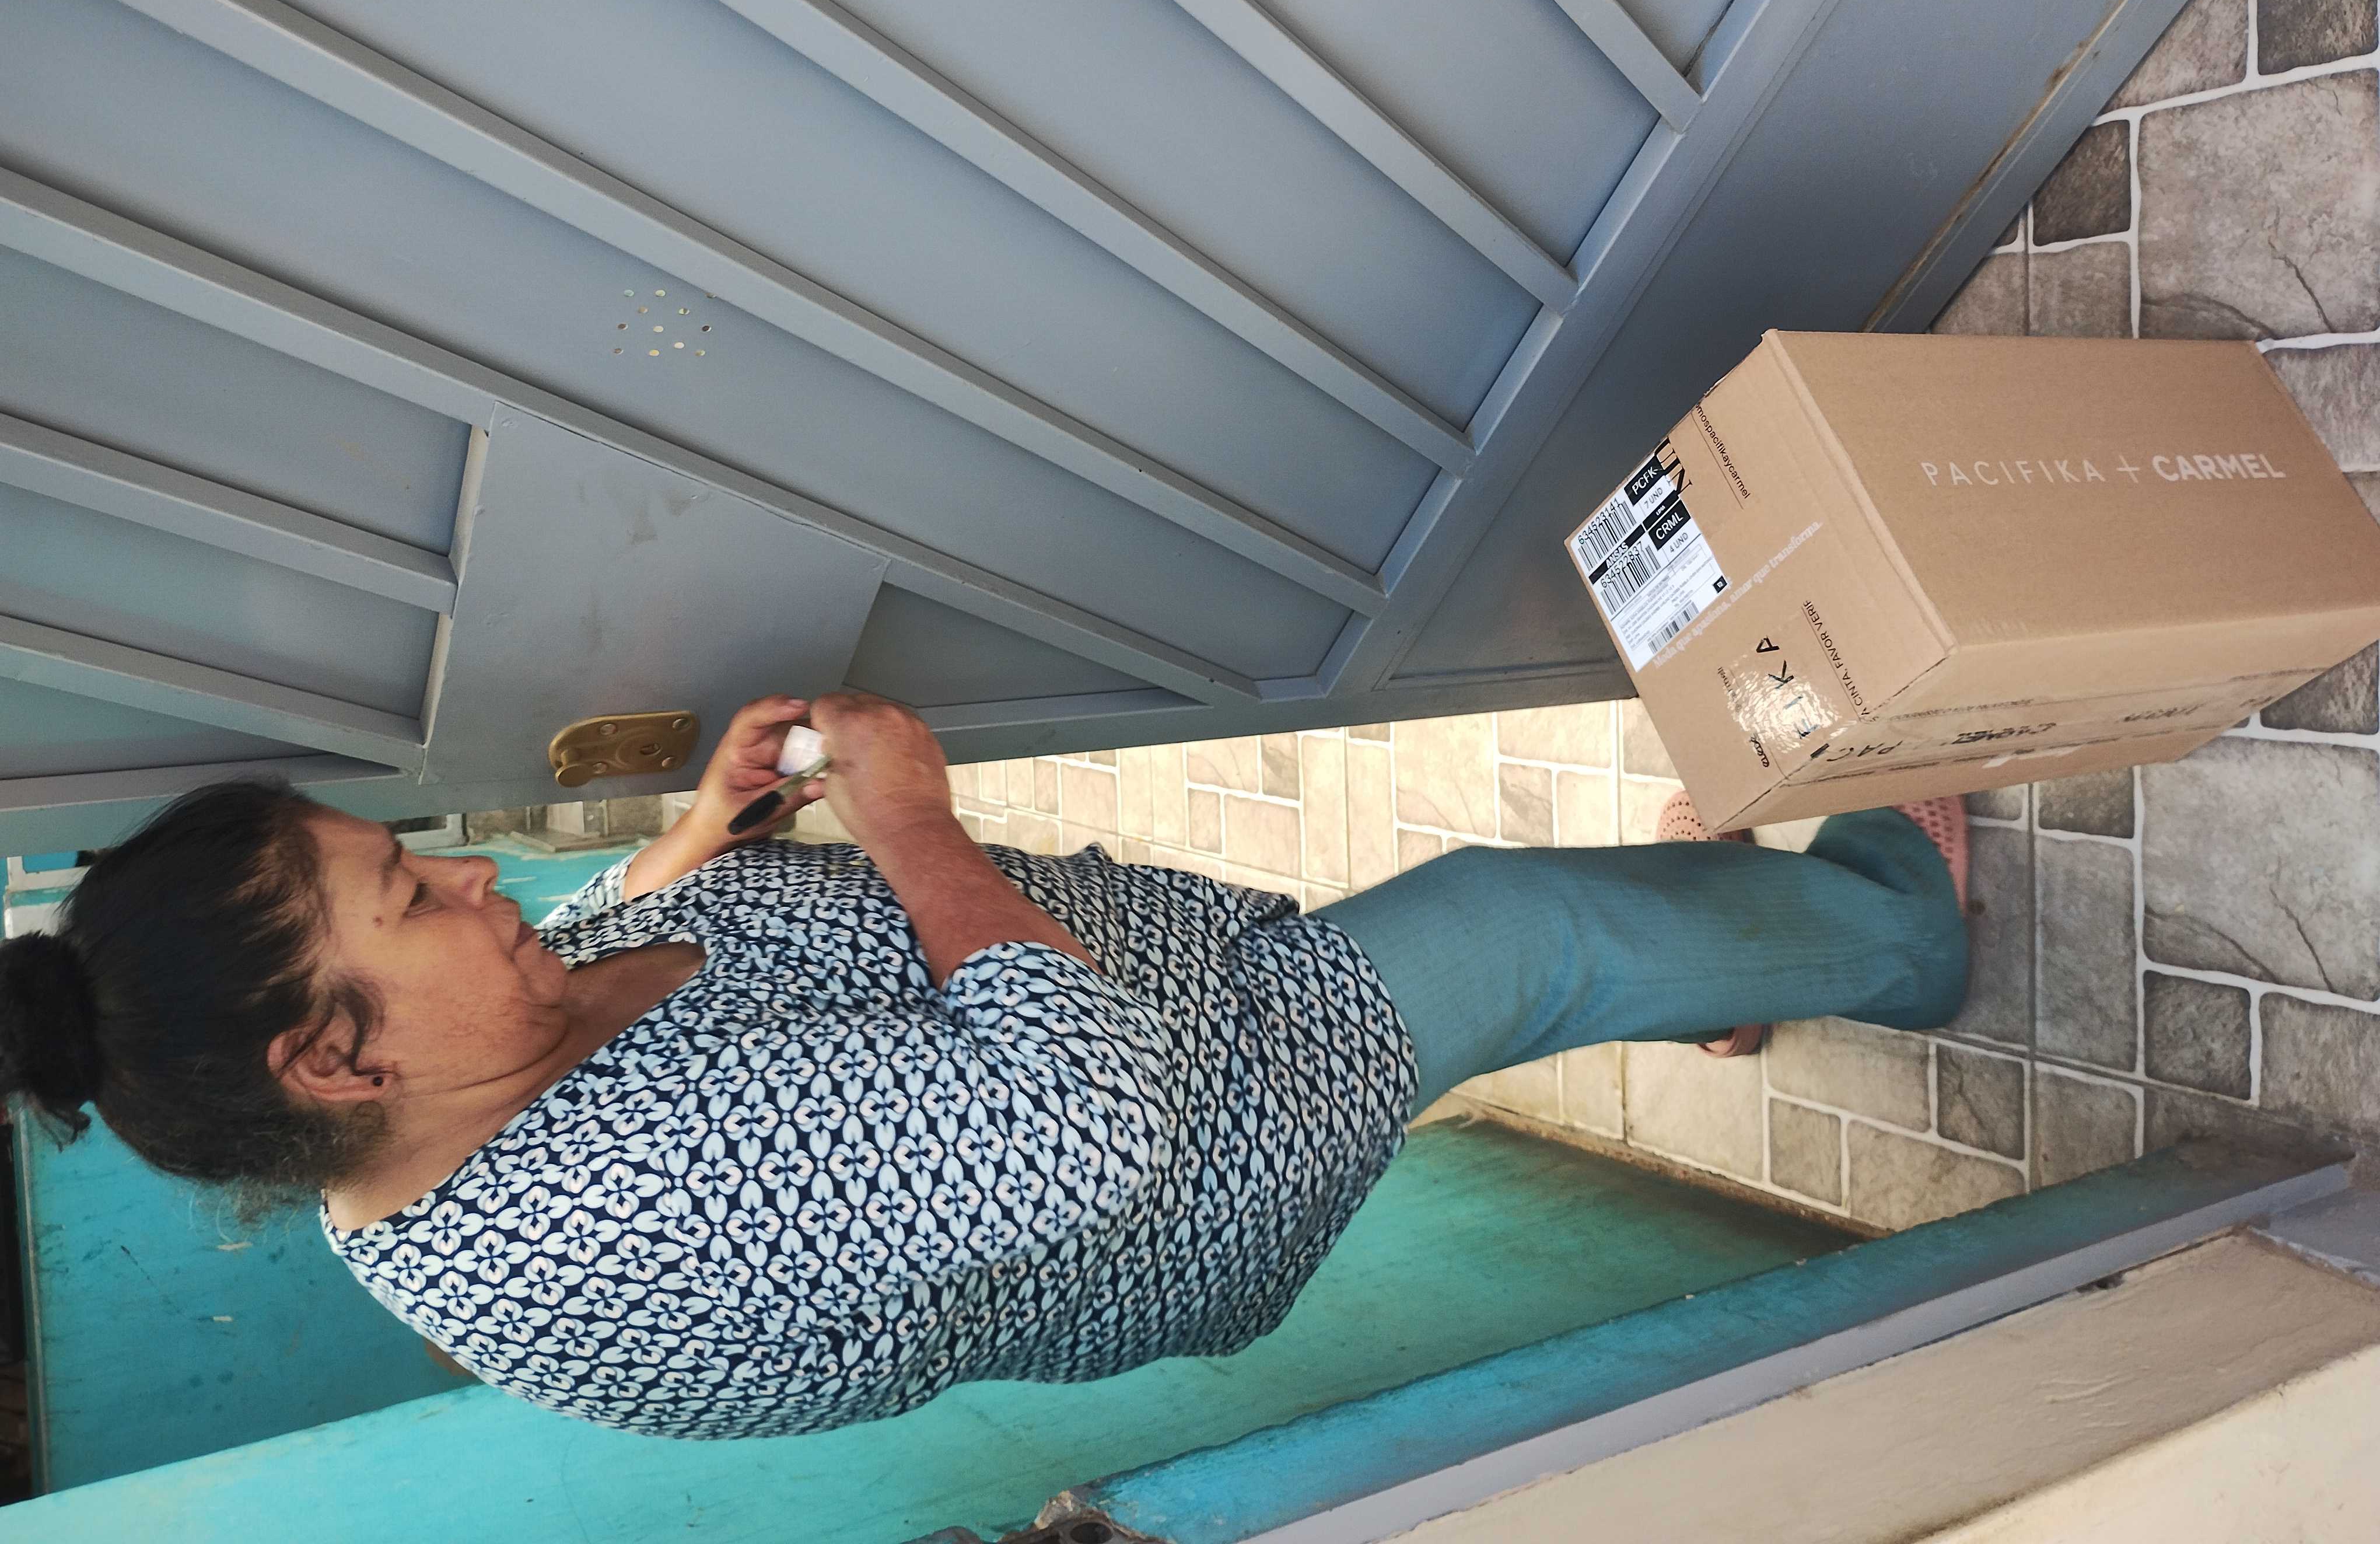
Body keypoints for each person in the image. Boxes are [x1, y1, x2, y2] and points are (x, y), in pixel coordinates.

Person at [0, 691, 1968, 1440]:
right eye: (407, 900)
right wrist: (915, 826)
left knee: (1540, 966)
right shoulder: (609, 1218)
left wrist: (686, 847)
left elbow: (589, 950)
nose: (464, 880)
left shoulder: (449, 1067)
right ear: (330, 1065)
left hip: (1166, 1029)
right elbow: (1082, 1122)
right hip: (1208, 1135)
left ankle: (1706, 968)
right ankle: (1897, 924)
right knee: (1513, 926)